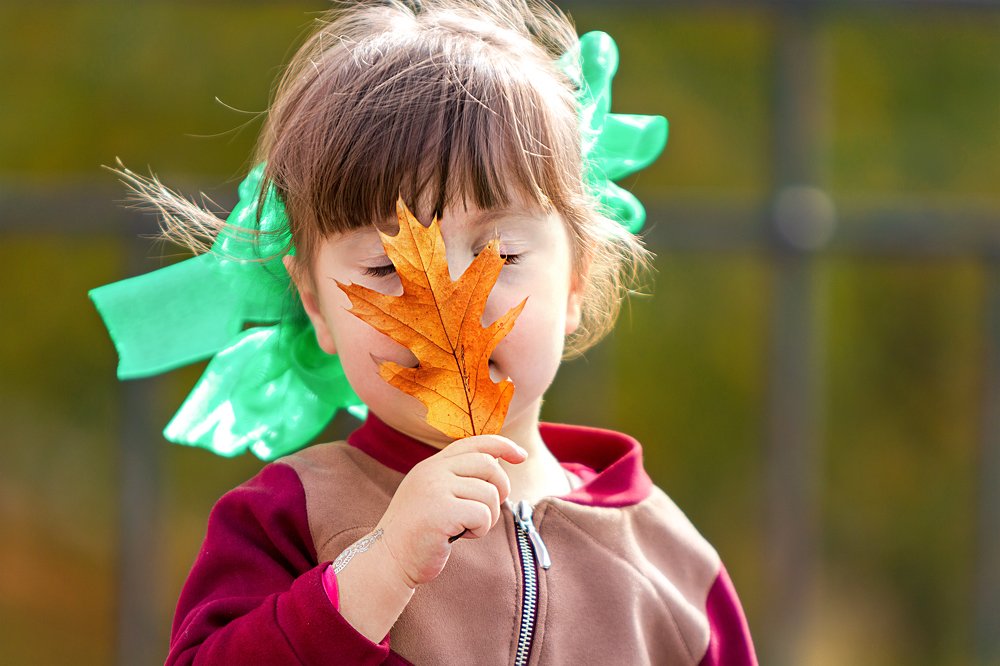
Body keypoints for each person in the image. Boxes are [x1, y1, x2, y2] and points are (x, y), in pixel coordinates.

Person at [92, 1, 757, 663]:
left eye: (501, 254)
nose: (439, 298)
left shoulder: (671, 563)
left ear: (576, 280)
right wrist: (374, 575)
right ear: (316, 304)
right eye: (386, 265)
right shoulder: (287, 519)